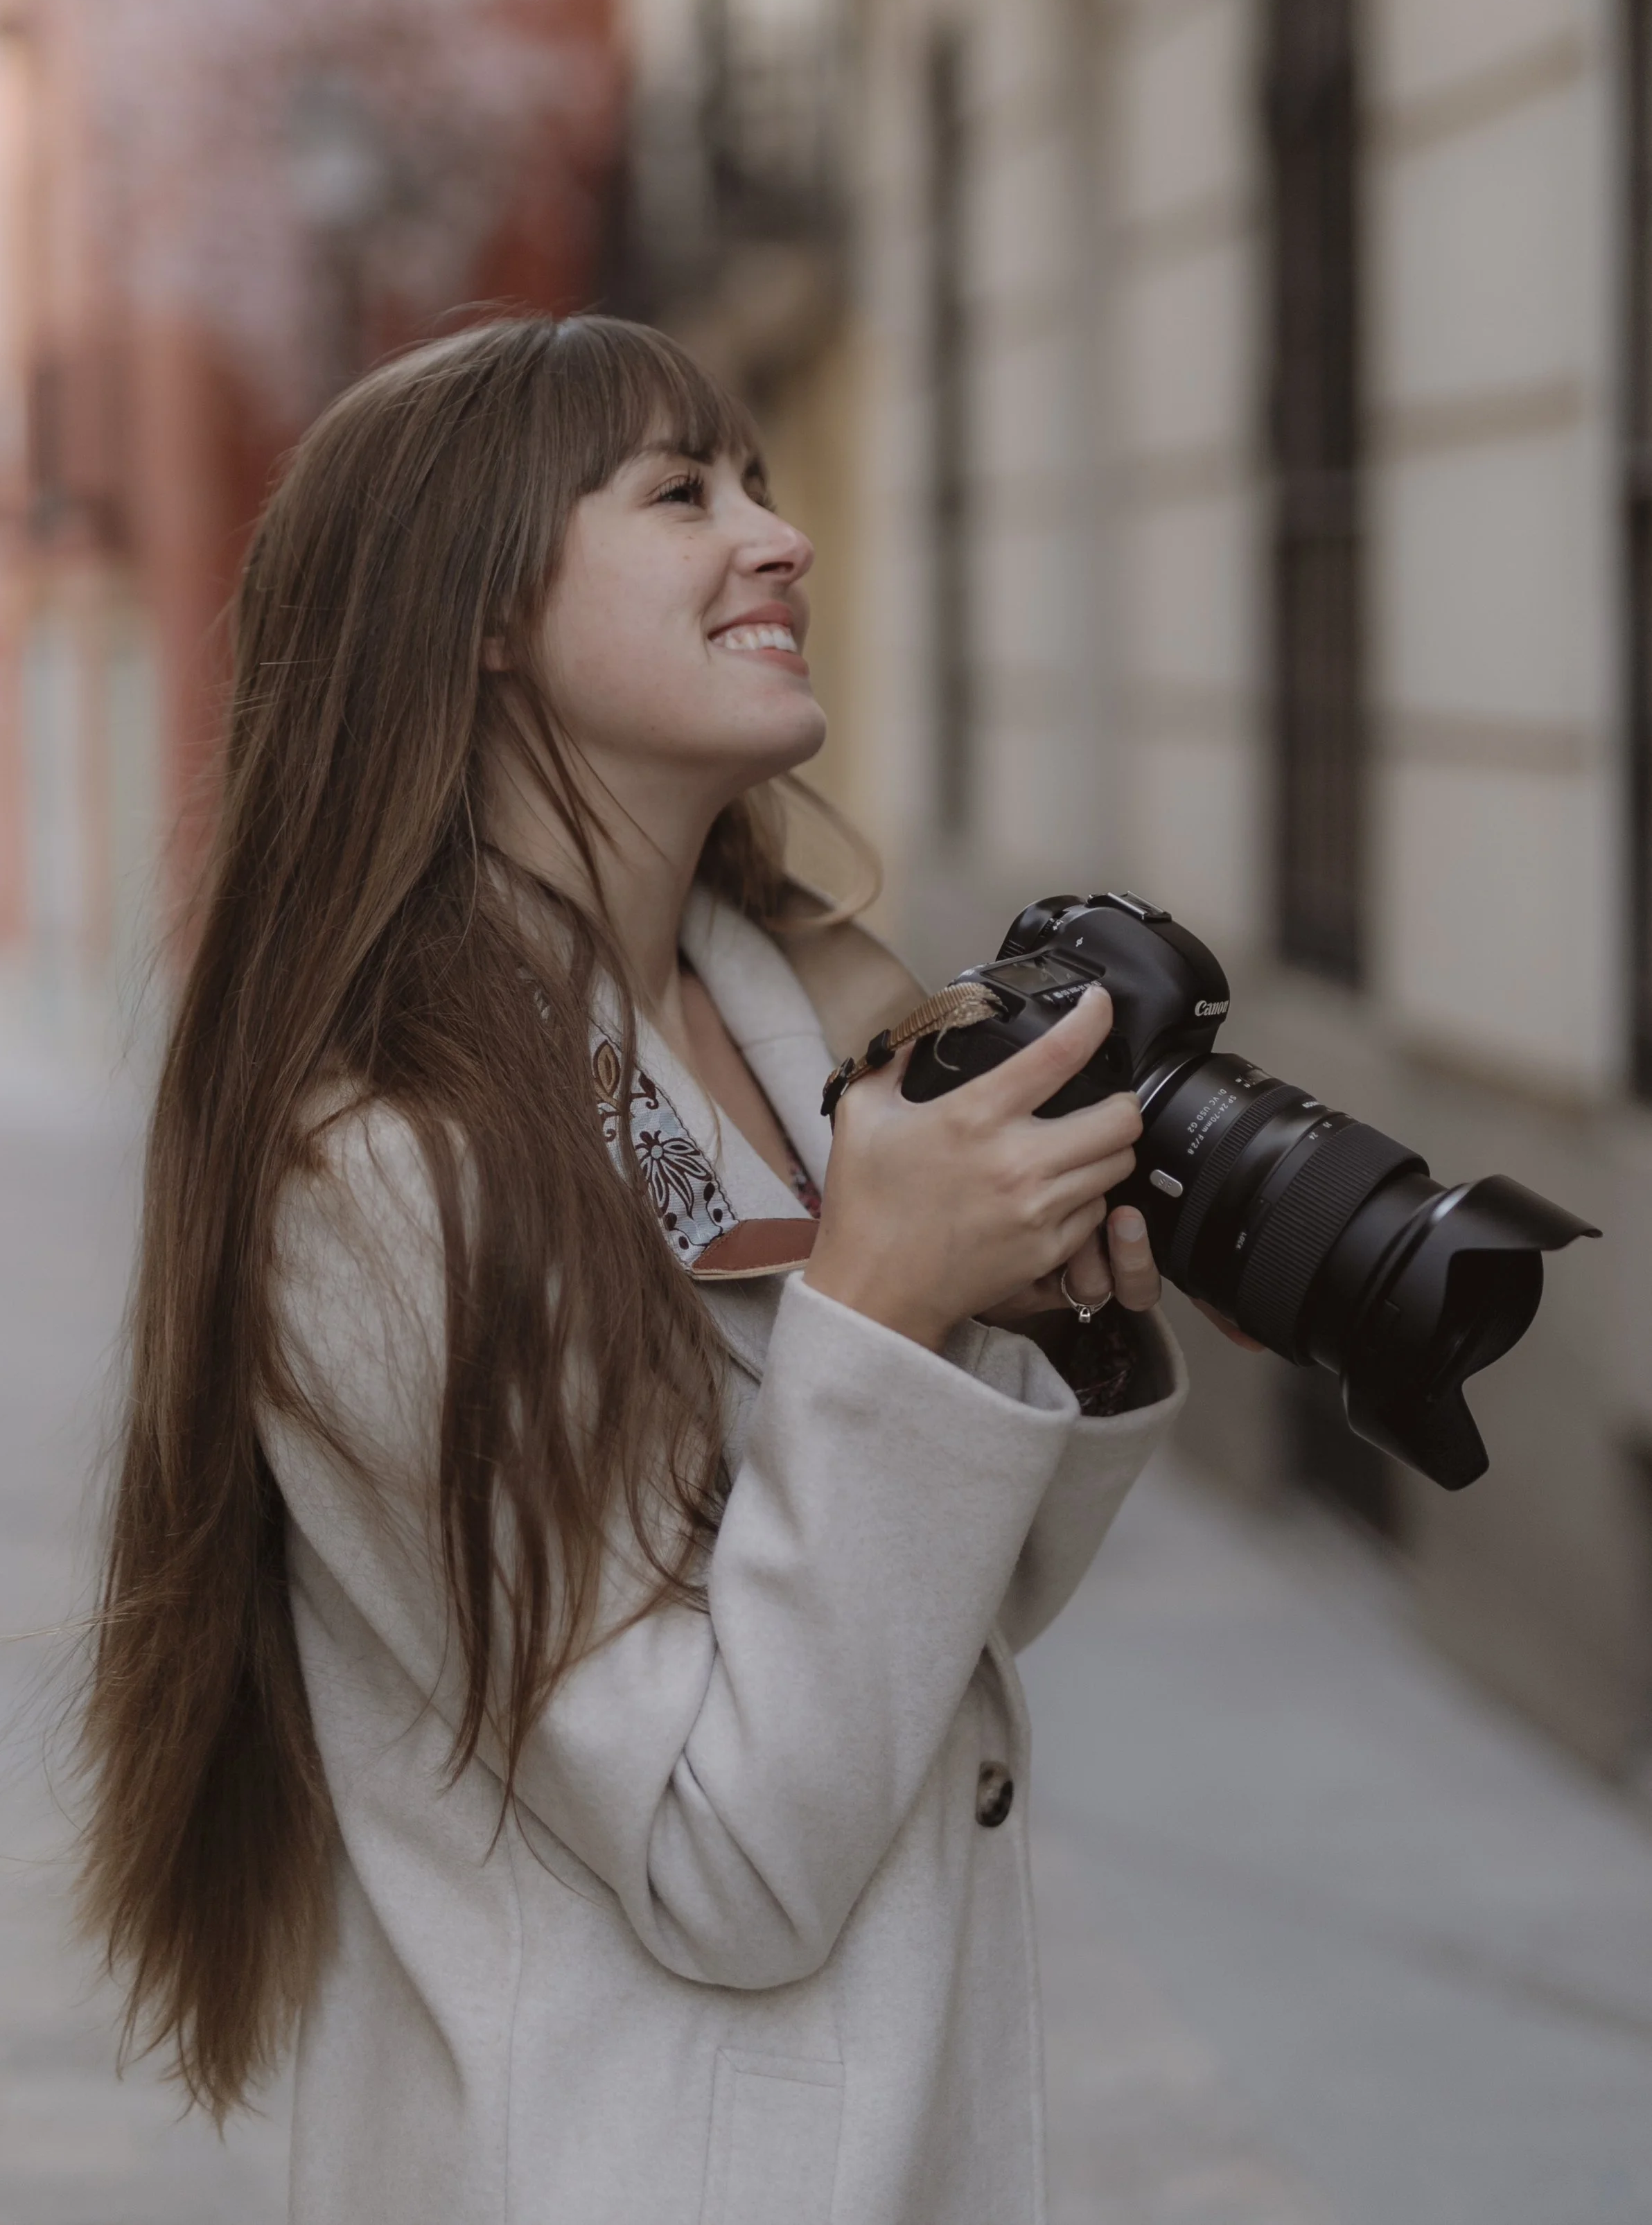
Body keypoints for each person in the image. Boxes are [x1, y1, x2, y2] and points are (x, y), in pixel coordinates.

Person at [78, 314, 1190, 2225]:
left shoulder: (786, 1023)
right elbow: (728, 1853)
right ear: (478, 613)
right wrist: (876, 1306)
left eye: (757, 482)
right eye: (680, 494)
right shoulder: (383, 1170)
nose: (778, 538)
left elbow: (940, 1620)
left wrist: (1051, 1328)